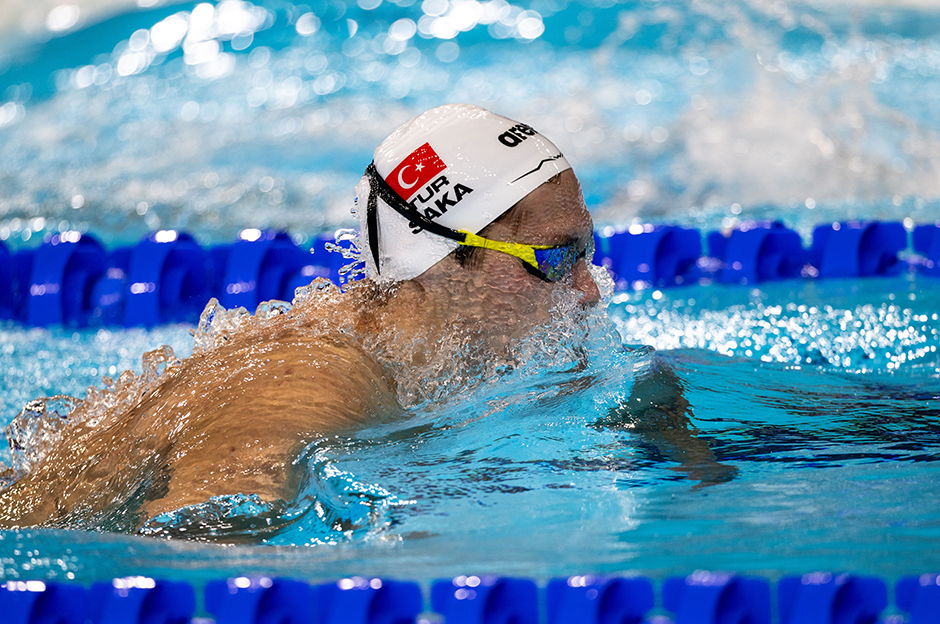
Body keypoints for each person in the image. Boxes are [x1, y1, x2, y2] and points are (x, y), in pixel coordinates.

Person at [0, 104, 729, 536]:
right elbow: (201, 544)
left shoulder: (464, 351)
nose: (591, 293)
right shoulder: (316, 384)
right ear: (441, 261)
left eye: (586, 253)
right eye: (554, 257)